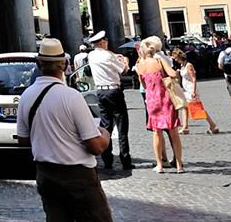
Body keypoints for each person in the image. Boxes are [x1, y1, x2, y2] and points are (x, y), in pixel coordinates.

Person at [15, 38, 120, 222]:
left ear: (38, 63)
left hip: (46, 175)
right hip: (78, 177)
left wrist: (46, 136)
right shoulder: (71, 96)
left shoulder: (26, 96)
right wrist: (106, 135)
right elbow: (95, 146)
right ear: (63, 64)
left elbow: (23, 140)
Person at [135, 37, 183, 174]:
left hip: (152, 100)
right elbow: (172, 74)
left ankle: (160, 164)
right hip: (165, 99)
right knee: (173, 131)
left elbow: (143, 85)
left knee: (157, 132)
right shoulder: (159, 61)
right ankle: (179, 165)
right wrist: (177, 73)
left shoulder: (140, 66)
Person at [86, 31, 131, 170]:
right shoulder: (108, 56)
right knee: (122, 125)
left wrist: (113, 55)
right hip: (114, 90)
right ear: (102, 42)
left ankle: (107, 159)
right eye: (106, 40)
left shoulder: (91, 55)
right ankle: (125, 159)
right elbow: (123, 70)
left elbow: (105, 55)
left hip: (101, 92)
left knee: (106, 126)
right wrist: (125, 61)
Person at [171, 50, 219, 135]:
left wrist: (193, 91)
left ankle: (212, 125)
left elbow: (193, 78)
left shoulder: (189, 65)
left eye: (175, 58)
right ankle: (185, 127)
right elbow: (181, 79)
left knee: (198, 108)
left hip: (191, 89)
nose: (175, 60)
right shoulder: (182, 66)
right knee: (185, 107)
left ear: (179, 57)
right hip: (186, 90)